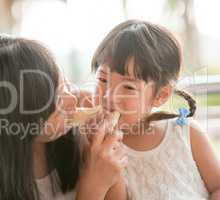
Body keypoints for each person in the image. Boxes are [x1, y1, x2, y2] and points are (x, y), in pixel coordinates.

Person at [0, 34, 127, 200]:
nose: (71, 100)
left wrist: (105, 162)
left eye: (65, 84)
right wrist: (92, 188)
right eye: (55, 100)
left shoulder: (72, 141)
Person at [91, 20, 220, 199]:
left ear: (161, 95)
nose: (108, 97)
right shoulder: (102, 155)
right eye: (103, 80)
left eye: (128, 87)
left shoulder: (187, 133)